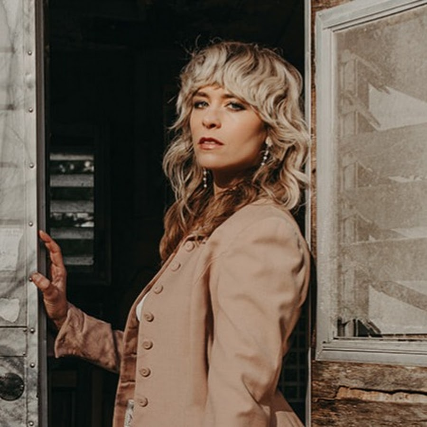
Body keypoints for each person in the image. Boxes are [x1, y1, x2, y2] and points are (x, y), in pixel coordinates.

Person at [32, 41, 311, 427]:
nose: (210, 119)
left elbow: (240, 398)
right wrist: (68, 318)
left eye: (235, 105)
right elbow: (164, 363)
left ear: (270, 129)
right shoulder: (208, 224)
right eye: (201, 102)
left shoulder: (262, 233)